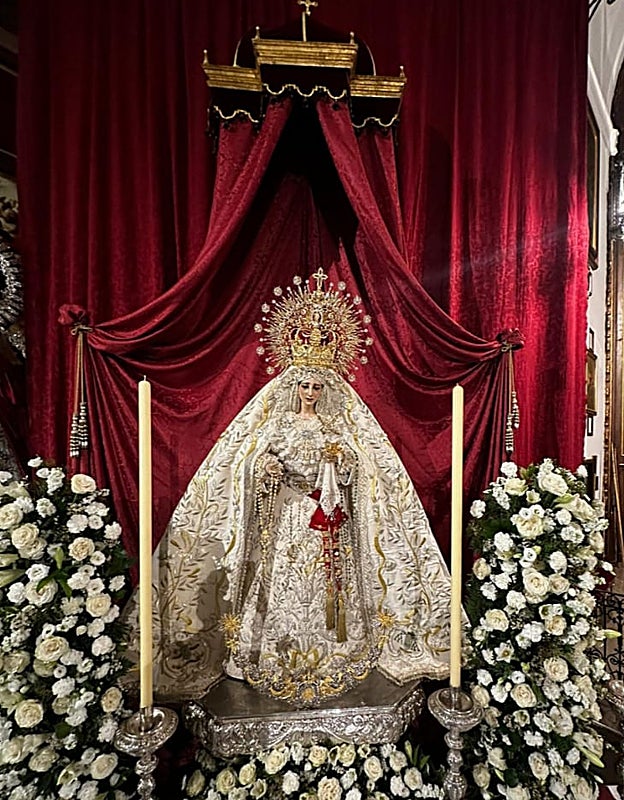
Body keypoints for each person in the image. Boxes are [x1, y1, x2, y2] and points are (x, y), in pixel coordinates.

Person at [147, 270, 454, 706]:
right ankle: (266, 652)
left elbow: (360, 469)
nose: (310, 392)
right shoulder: (277, 421)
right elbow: (247, 461)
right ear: (293, 386)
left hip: (324, 517)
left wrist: (341, 462)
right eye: (304, 385)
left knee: (330, 589)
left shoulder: (336, 423)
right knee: (277, 587)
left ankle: (339, 650)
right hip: (287, 517)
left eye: (316, 386)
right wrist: (265, 466)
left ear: (326, 387)